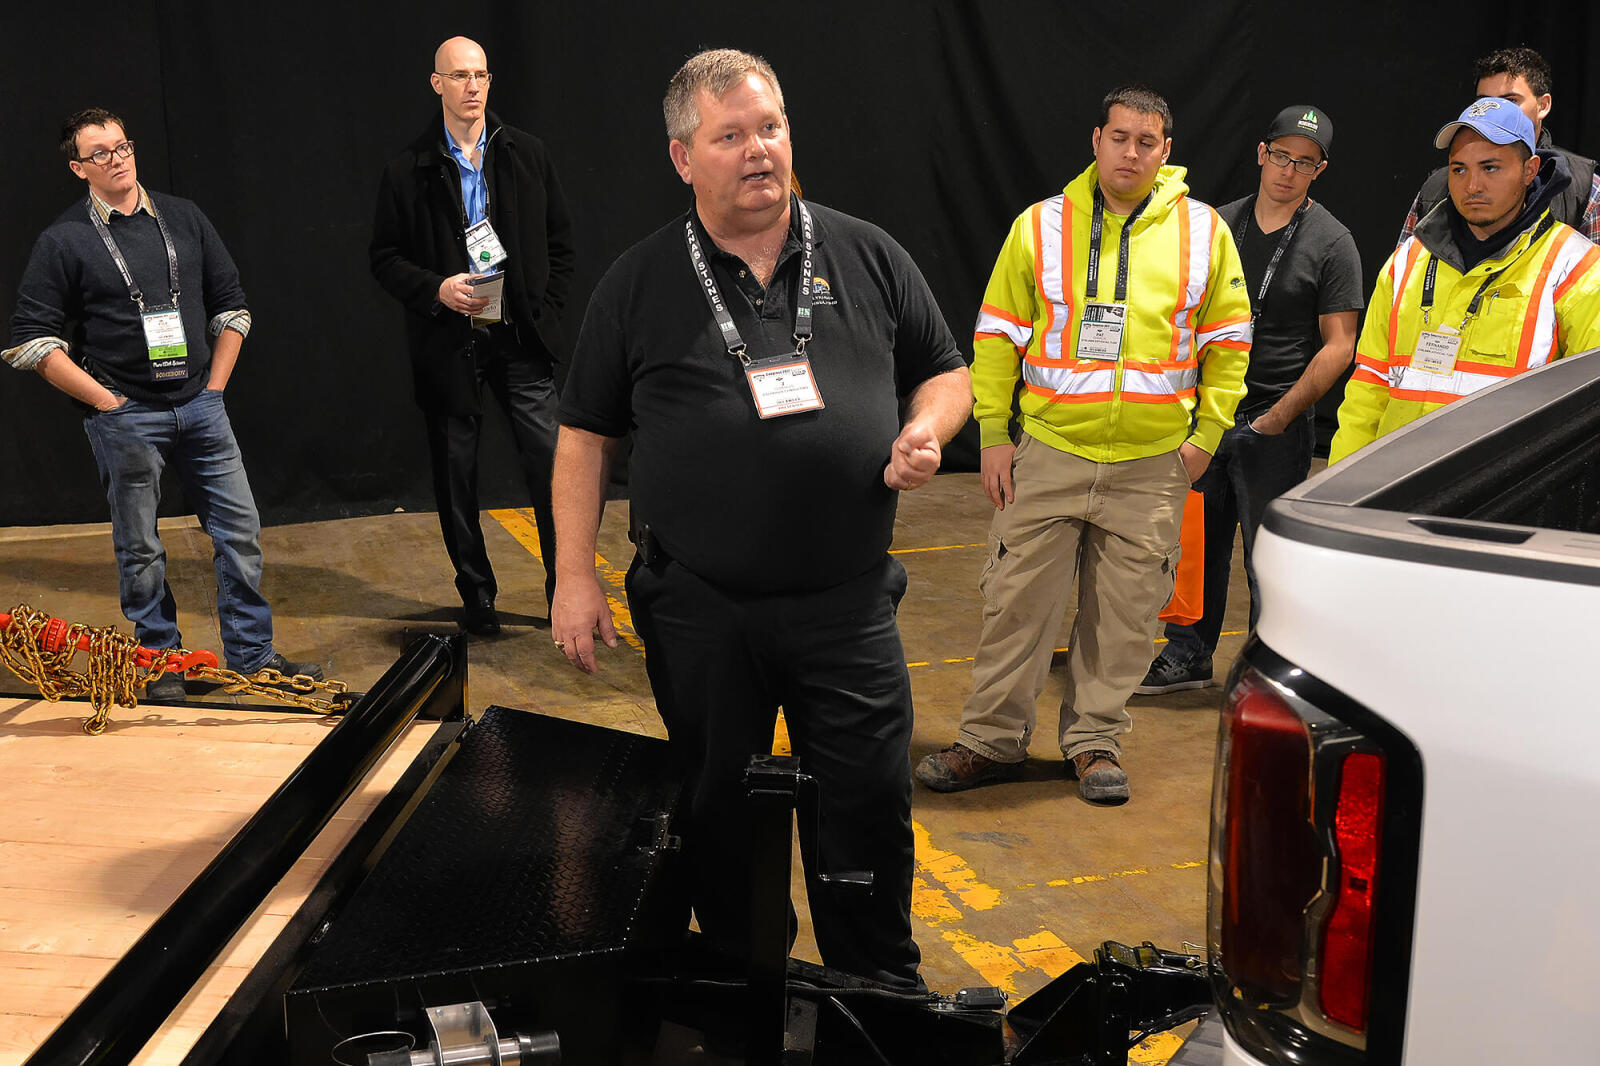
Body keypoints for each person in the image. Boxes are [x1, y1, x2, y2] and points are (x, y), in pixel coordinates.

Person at [550, 49, 971, 988]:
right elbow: (583, 435)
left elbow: (946, 369)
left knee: (866, 803)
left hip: (847, 604)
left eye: (770, 128)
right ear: (682, 158)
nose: (757, 152)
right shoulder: (640, 281)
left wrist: (926, 428)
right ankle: (746, 987)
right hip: (701, 606)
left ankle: (877, 991)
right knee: (718, 806)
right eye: (729, 136)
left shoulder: (866, 252)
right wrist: (573, 575)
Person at [915, 86, 1250, 804]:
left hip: (1154, 464)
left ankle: (1096, 741)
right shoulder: (1039, 226)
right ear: (1095, 139)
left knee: (1125, 618)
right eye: (1120, 137)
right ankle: (990, 742)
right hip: (1048, 452)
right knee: (1016, 605)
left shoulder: (1202, 233)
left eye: (1147, 142)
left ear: (1167, 152)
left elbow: (1229, 341)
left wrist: (1205, 440)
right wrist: (995, 437)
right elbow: (998, 336)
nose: (1131, 152)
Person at [4, 109, 322, 700]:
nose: (117, 158)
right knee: (141, 548)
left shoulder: (183, 216)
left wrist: (215, 388)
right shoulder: (65, 240)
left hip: (201, 405)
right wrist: (106, 401)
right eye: (99, 153)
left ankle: (253, 657)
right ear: (79, 169)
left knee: (239, 532)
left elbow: (231, 304)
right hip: (128, 419)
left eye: (122, 145)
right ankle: (160, 665)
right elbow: (31, 341)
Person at [1138, 106, 1362, 695]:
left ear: (1321, 169)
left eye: (1305, 162)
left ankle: (1269, 670)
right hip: (1207, 415)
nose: (1289, 171)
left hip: (1275, 424)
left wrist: (1282, 415)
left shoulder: (1332, 241)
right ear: (1261, 153)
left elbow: (1340, 346)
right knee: (1195, 549)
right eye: (1281, 155)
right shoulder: (1216, 224)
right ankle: (1187, 655)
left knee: (1270, 560)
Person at [370, 35, 576, 636]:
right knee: (457, 475)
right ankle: (477, 596)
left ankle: (565, 589)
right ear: (437, 84)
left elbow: (561, 245)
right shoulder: (408, 170)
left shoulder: (527, 154)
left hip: (517, 334)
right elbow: (383, 257)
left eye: (481, 75)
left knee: (553, 465)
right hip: (451, 340)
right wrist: (436, 288)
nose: (473, 87)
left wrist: (545, 312)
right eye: (459, 76)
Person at [1332, 98, 1600, 462]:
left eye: (1490, 168)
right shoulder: (1407, 261)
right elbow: (1369, 387)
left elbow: (1587, 412)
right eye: (1459, 169)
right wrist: (1341, 492)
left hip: (1497, 503)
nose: (1472, 185)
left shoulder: (1575, 267)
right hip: (1392, 492)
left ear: (1530, 169)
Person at [1399, 46, 1598, 244]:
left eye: (1510, 101)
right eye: (1485, 103)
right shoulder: (1436, 188)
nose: (1496, 112)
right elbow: (1406, 267)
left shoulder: (1584, 186)